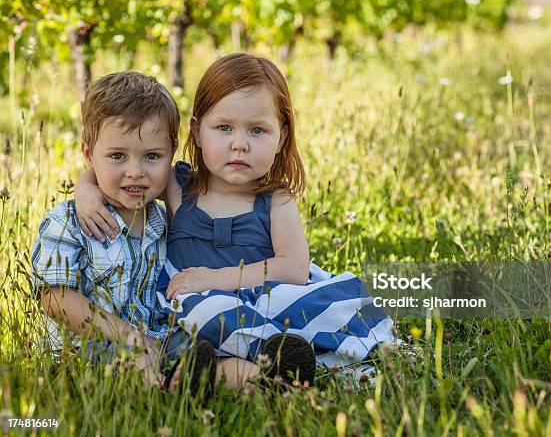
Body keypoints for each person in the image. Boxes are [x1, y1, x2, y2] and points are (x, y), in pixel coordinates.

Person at [75, 53, 395, 386]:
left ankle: (276, 360)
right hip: (195, 314)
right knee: (203, 315)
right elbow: (126, 172)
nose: (239, 144)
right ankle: (256, 373)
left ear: (281, 137)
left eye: (257, 130)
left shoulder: (275, 201)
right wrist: (85, 189)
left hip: (261, 301)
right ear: (198, 132)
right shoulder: (178, 186)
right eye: (224, 128)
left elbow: (294, 269)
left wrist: (213, 279)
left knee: (322, 307)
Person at [30, 71, 217, 398]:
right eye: (117, 156)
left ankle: (266, 372)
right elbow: (54, 298)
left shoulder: (166, 218)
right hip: (84, 350)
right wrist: (128, 337)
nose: (135, 171)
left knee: (207, 347)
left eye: (152, 157)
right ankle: (162, 397)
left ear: (171, 153)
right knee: (134, 359)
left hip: (156, 340)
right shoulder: (69, 223)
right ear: (89, 155)